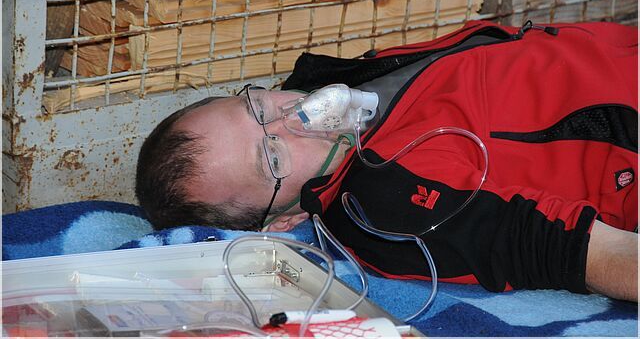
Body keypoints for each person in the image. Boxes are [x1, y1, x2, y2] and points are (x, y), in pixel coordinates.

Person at [136, 20, 638, 302]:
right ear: (284, 220)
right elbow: (592, 256)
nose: (292, 117)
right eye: (272, 155)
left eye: (256, 108)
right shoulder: (384, 206)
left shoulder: (348, 80)